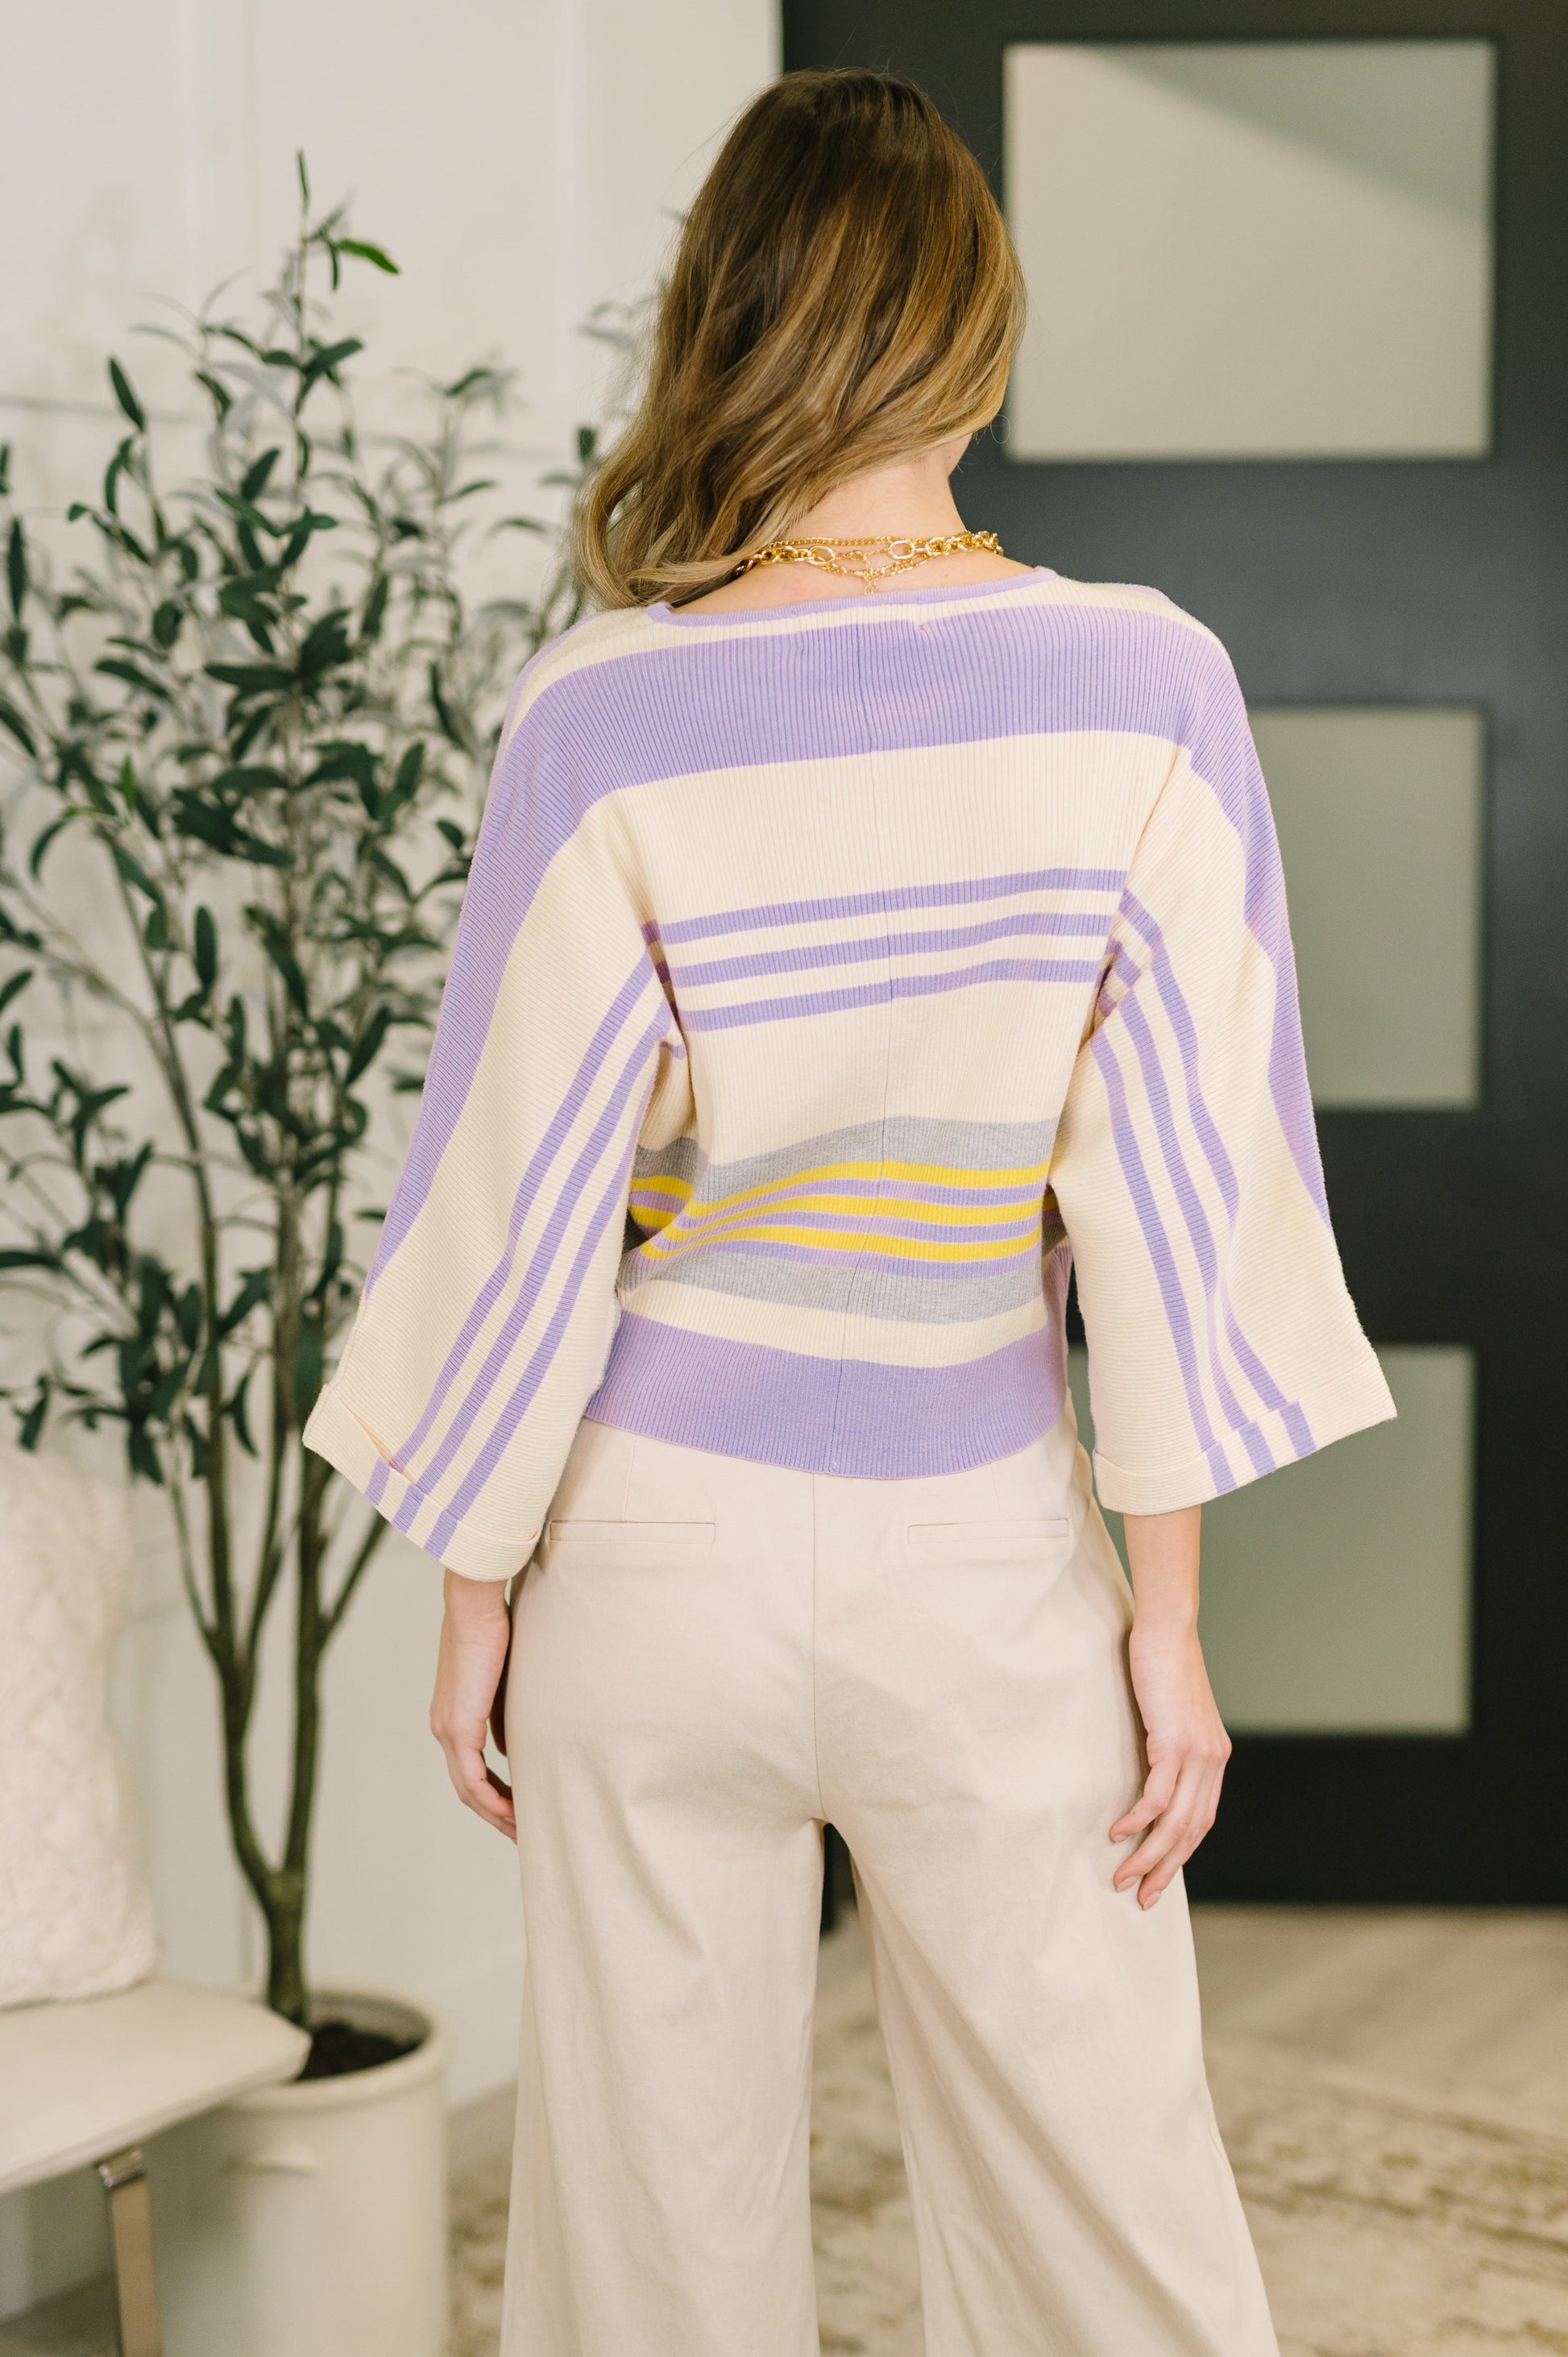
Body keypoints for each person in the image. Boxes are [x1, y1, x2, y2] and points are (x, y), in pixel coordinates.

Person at [305, 66, 1394, 2357]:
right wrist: (1166, 1618)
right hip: (978, 1550)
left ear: (724, 316)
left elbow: (519, 1203)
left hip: (644, 1554)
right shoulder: (1147, 687)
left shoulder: (597, 711)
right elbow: (1177, 1197)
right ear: (973, 330)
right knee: (1105, 2234)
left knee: (647, 2251)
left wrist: (476, 1592)